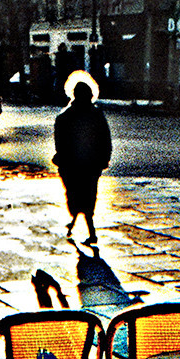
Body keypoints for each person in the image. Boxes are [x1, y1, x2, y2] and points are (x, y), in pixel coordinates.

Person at [52, 72, 111, 247]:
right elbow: (105, 140)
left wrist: (62, 160)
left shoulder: (64, 117)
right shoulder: (96, 115)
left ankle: (81, 227)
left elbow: (60, 144)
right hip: (92, 164)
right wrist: (104, 159)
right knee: (89, 196)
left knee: (74, 195)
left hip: (71, 165)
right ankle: (86, 229)